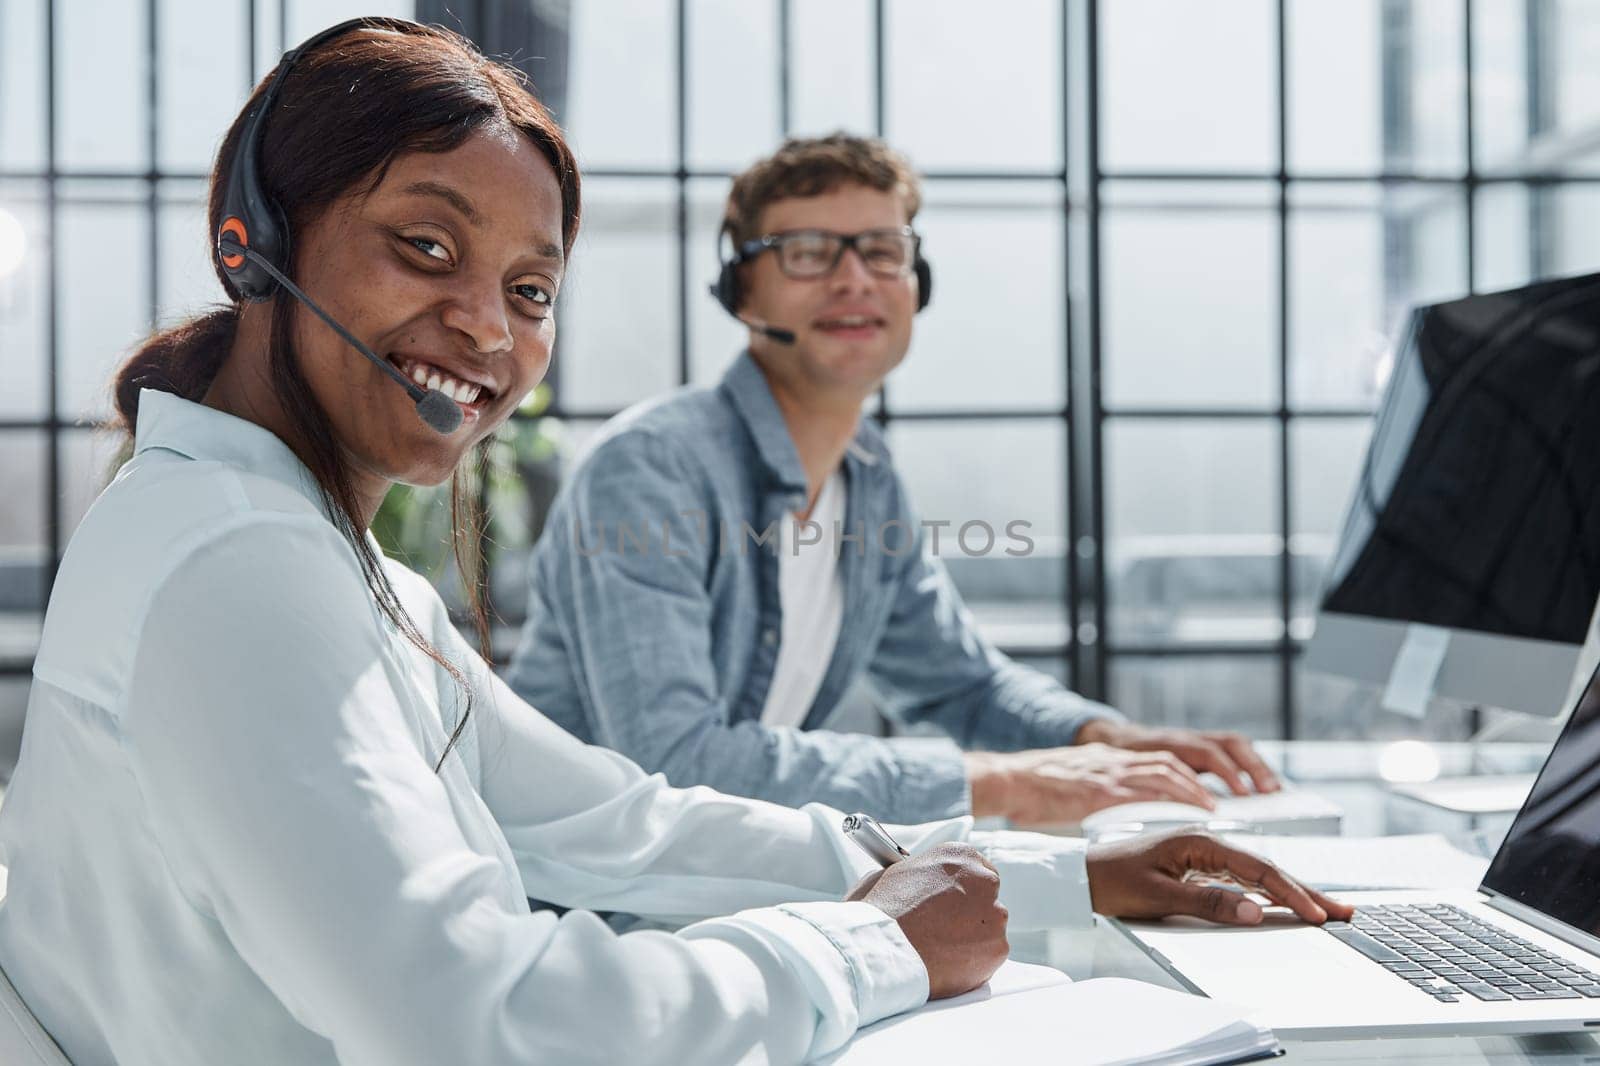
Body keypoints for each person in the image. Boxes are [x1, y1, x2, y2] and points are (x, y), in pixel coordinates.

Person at [0, 23, 1348, 1066]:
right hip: (623, 982)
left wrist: (1058, 857)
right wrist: (876, 936)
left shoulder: (329, 556)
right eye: (424, 246)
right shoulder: (239, 559)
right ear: (255, 246)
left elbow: (606, 815)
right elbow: (469, 1016)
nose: (486, 327)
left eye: (531, 290)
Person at [507, 133, 1282, 827]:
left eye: (882, 249)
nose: (855, 279)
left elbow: (964, 686)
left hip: (716, 891)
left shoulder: (865, 477)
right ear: (741, 293)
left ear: (918, 283)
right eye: (809, 252)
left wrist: (1105, 737)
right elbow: (678, 763)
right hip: (593, 918)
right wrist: (1004, 782)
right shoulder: (652, 468)